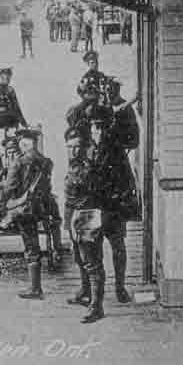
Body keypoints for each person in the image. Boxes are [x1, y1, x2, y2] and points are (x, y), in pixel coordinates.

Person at [85, 108, 139, 315]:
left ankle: (119, 287)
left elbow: (128, 181)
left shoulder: (116, 151)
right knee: (93, 252)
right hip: (94, 208)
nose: (97, 131)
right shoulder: (88, 150)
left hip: (113, 209)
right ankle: (95, 301)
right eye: (94, 126)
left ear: (107, 128)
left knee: (118, 248)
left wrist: (118, 200)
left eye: (100, 126)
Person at [0, 128, 53, 300]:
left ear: (23, 143)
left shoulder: (19, 162)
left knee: (30, 245)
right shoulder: (45, 161)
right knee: (34, 244)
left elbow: (9, 188)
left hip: (24, 208)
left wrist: (3, 199)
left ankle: (35, 288)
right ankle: (36, 287)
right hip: (41, 208)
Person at [62, 127, 97, 314]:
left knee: (91, 261)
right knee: (79, 258)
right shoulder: (72, 166)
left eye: (77, 147)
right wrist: (67, 224)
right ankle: (85, 291)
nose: (73, 151)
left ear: (84, 147)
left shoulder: (89, 168)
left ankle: (95, 305)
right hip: (74, 215)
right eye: (70, 147)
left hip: (86, 215)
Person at [0, 67, 28, 152]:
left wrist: (23, 122)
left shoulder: (10, 90)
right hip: (0, 122)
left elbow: (16, 107)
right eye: (4, 78)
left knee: (12, 144)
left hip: (10, 122)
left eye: (8, 78)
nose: (7, 80)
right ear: (0, 78)